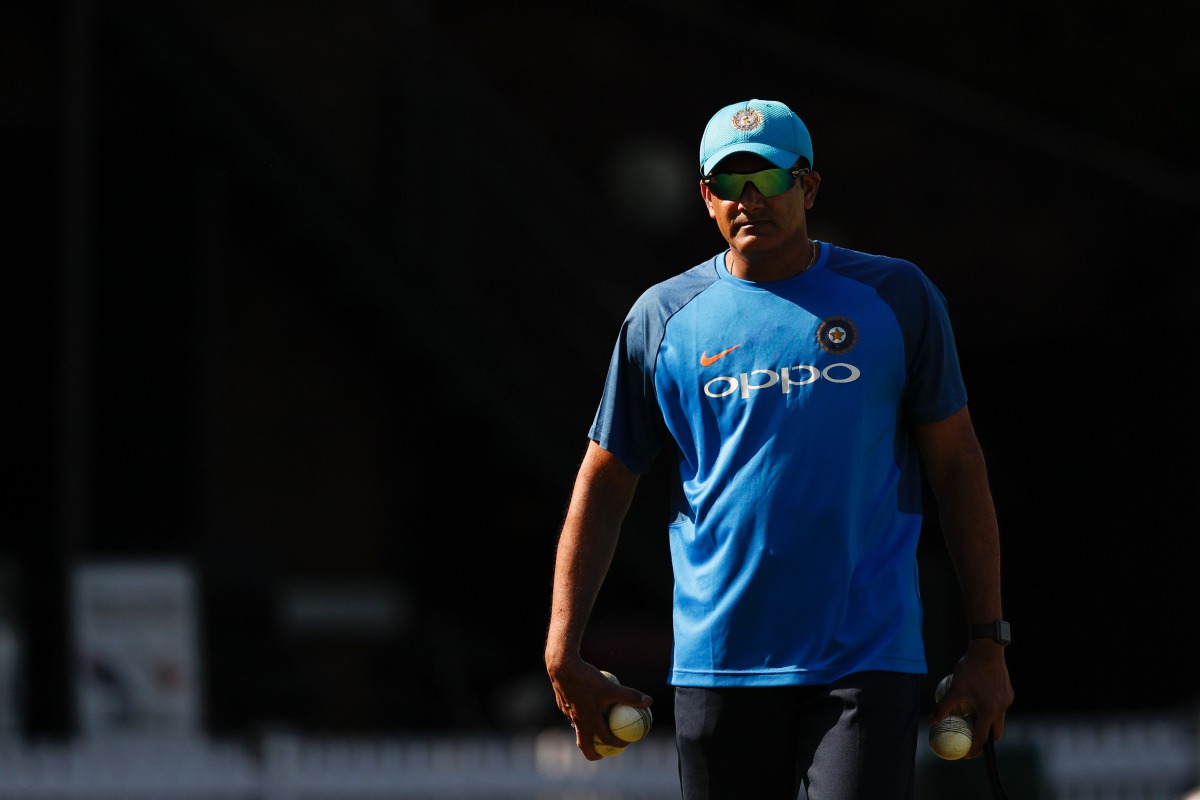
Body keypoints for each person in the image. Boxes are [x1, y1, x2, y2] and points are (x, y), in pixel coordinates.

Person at [544, 98, 1013, 800]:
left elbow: (958, 464)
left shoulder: (896, 296)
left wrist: (987, 641)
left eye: (768, 177)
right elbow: (603, 483)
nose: (751, 198)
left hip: (866, 657)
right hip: (719, 662)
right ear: (707, 197)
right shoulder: (661, 319)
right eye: (729, 183)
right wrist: (562, 649)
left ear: (808, 186)